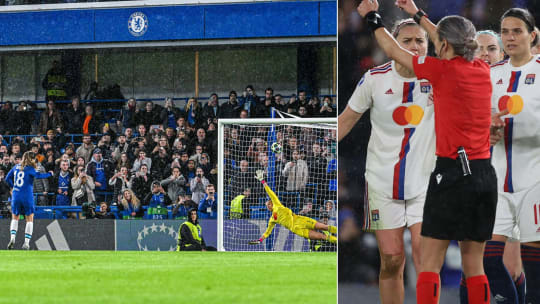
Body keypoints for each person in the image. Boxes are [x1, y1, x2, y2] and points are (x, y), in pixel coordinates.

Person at [357, 0, 498, 303]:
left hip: (450, 175)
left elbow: (394, 51)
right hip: (484, 176)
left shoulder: (439, 71)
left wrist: (372, 18)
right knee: (475, 267)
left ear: (443, 45)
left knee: (429, 266)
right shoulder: (483, 69)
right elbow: (449, 39)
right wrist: (417, 13)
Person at [338, 16, 435, 304]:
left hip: (426, 181)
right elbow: (345, 122)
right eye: (407, 41)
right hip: (382, 182)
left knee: (423, 255)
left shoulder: (437, 77)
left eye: (420, 41)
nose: (414, 46)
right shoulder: (375, 79)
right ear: (392, 44)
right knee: (392, 260)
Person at [483, 8, 540, 304]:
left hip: (535, 180)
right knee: (488, 259)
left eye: (517, 31)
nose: (509, 37)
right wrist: (488, 132)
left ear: (532, 35)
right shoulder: (492, 75)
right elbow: (480, 121)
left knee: (535, 267)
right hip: (498, 180)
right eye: (505, 31)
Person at [250, 170, 337, 246]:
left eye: (268, 203)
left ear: (272, 202)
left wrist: (262, 181)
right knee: (321, 236)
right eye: (266, 206)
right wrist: (260, 240)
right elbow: (267, 232)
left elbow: (270, 192)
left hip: (301, 220)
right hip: (297, 229)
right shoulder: (272, 219)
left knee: (324, 227)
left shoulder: (277, 204)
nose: (268, 206)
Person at [6, 151, 53, 250]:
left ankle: (12, 238)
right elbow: (39, 176)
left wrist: (12, 186)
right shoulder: (30, 169)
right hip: (27, 195)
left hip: (16, 195)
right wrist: (49, 174)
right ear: (31, 159)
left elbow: (7, 178)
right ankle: (26, 243)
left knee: (15, 217)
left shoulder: (16, 167)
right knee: (30, 218)